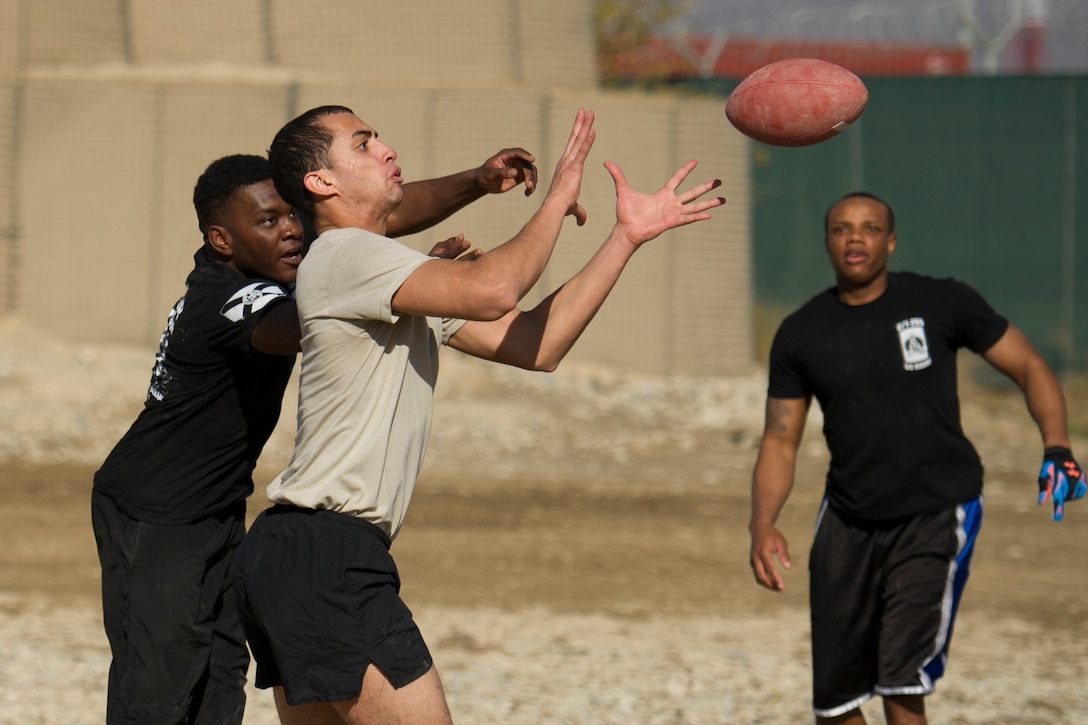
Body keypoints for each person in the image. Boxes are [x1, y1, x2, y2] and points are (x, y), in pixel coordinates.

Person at [230, 104, 724, 724]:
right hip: (325, 554)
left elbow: (537, 346)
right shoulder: (343, 255)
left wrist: (624, 236)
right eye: (362, 143)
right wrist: (558, 196)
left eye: (379, 136)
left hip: (297, 554)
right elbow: (495, 289)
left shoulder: (389, 273)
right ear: (321, 182)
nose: (384, 149)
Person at [90, 145, 542, 725]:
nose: (289, 231)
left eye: (291, 217)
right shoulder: (220, 300)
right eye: (268, 221)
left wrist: (477, 181)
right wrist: (411, 282)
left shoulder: (281, 266)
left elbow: (379, 220)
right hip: (152, 514)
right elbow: (313, 320)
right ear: (222, 240)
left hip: (220, 509)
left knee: (221, 678)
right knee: (158, 687)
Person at [748, 191, 1086, 725]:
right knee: (834, 706)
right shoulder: (800, 332)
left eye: (870, 227)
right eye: (841, 228)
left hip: (935, 510)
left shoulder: (941, 303)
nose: (855, 237)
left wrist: (1058, 446)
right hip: (848, 518)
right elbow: (779, 440)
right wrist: (762, 522)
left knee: (901, 683)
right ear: (827, 242)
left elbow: (1029, 366)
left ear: (892, 240)